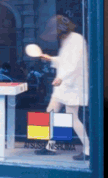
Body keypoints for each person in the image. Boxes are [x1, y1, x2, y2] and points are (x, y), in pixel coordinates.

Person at [36, 15, 90, 161]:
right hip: (64, 85)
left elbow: (76, 63)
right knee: (50, 112)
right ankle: (50, 147)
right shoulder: (67, 39)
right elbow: (66, 61)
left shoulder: (76, 39)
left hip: (72, 85)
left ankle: (88, 149)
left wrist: (61, 77)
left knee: (72, 118)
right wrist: (51, 58)